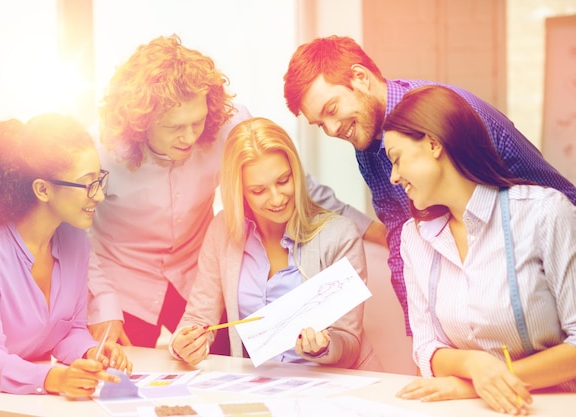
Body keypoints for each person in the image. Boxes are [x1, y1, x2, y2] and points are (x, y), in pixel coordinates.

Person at [87, 34, 379, 350]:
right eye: (174, 128)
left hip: (194, 273)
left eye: (196, 123)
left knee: (227, 359)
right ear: (141, 122)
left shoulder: (228, 124)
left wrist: (369, 228)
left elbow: (291, 181)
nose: (189, 138)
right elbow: (72, 234)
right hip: (122, 284)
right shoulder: (101, 152)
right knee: (123, 379)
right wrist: (101, 302)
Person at [283, 35, 576, 335]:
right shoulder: (367, 141)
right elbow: (399, 235)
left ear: (360, 77)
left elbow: (556, 203)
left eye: (331, 110)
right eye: (319, 124)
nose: (331, 130)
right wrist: (422, 341)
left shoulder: (447, 113)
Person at [382, 86, 576, 414]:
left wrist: (477, 383)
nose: (394, 176)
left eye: (397, 159)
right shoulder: (413, 238)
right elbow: (427, 349)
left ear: (433, 144)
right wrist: (474, 365)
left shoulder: (544, 212)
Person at [169, 117, 382, 371]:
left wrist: (323, 347)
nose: (277, 198)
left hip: (335, 385)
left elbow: (349, 342)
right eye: (258, 190)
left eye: (283, 181)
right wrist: (185, 344)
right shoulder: (223, 230)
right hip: (263, 386)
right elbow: (198, 317)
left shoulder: (339, 235)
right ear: (241, 191)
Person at [0, 114, 132, 397]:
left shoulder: (75, 241)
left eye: (99, 180)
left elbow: (69, 329)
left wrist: (91, 352)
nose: (98, 196)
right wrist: (54, 379)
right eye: (88, 184)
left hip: (6, 396)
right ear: (43, 189)